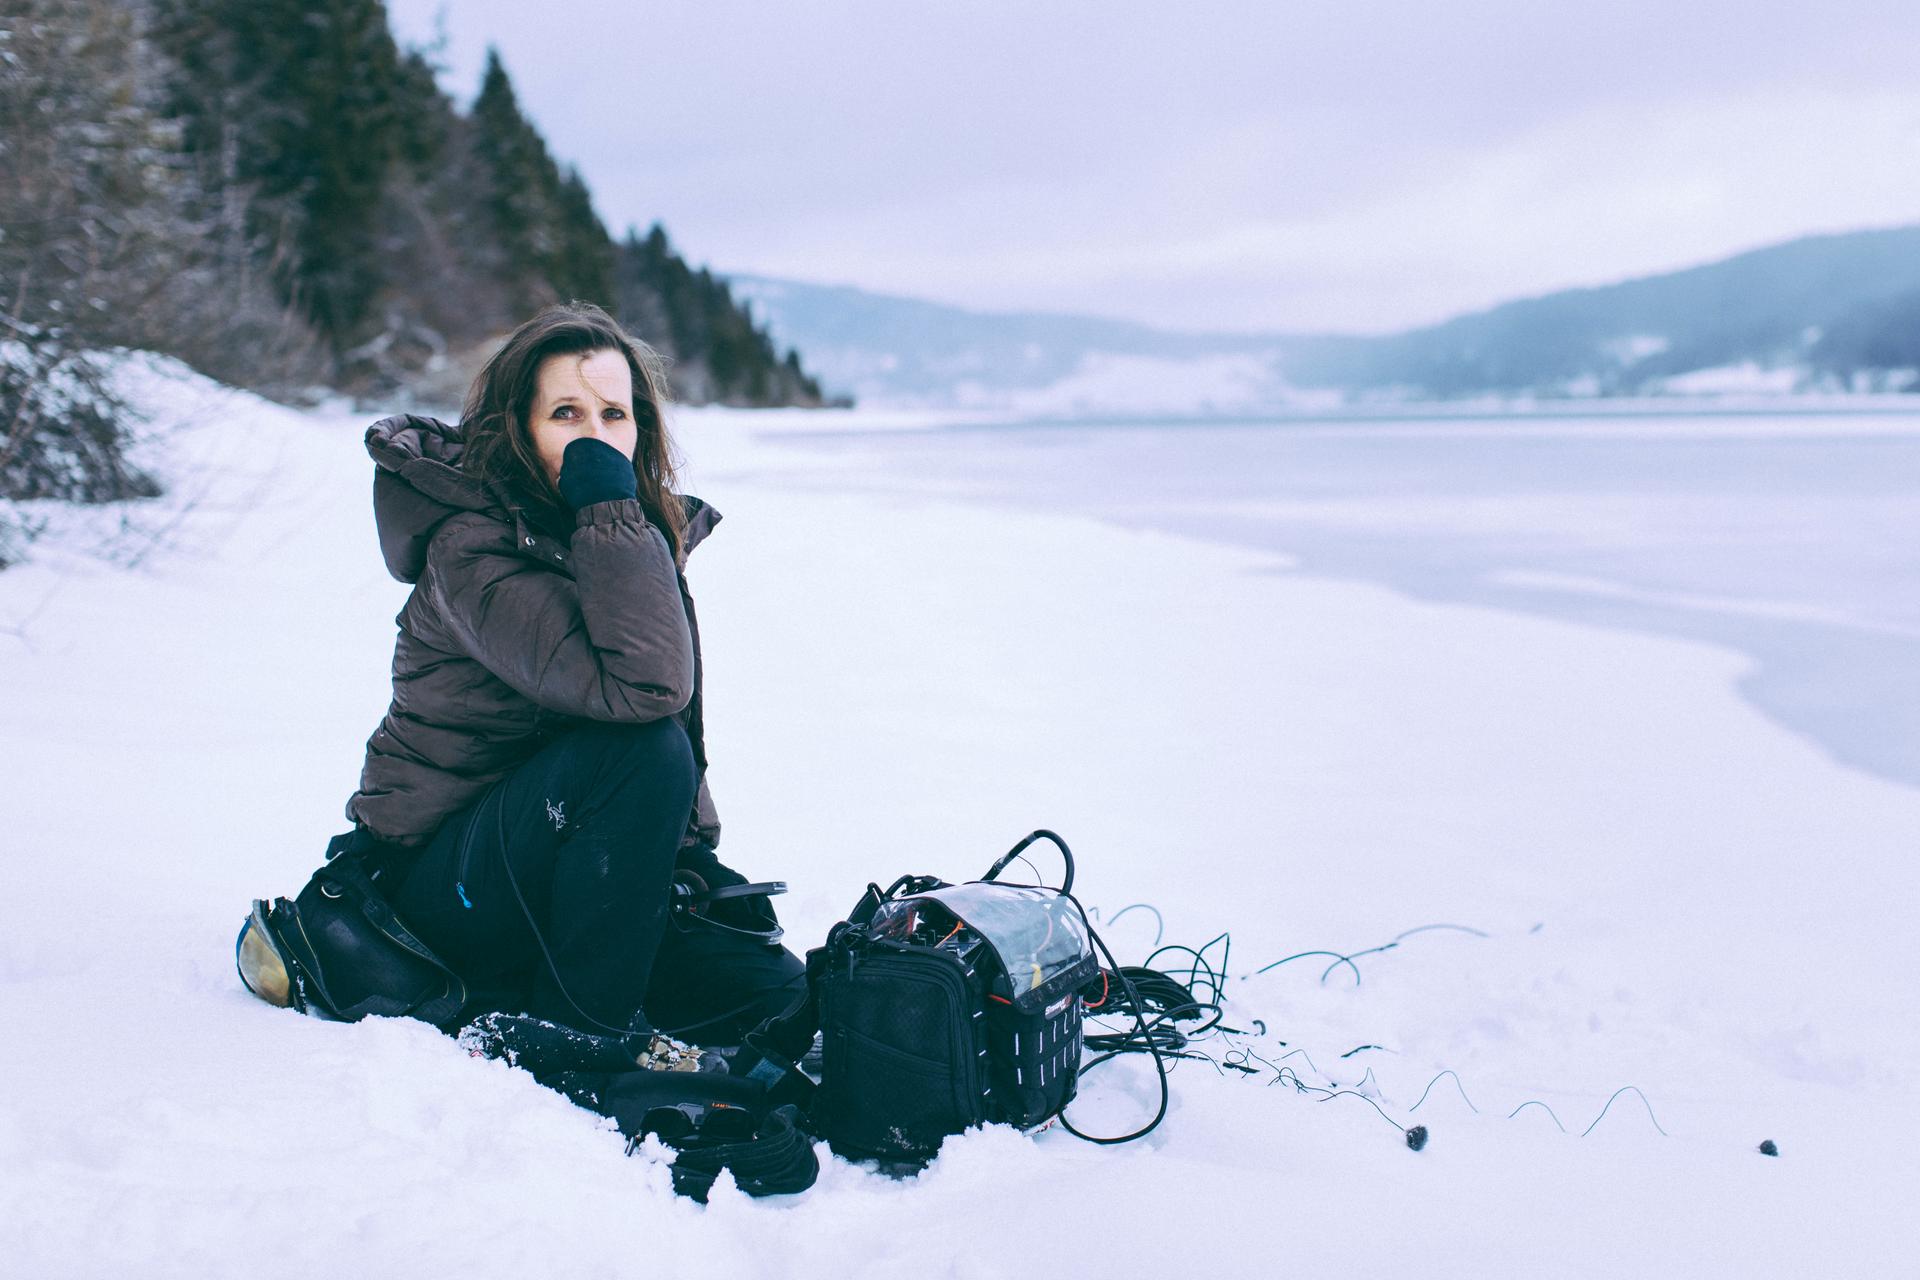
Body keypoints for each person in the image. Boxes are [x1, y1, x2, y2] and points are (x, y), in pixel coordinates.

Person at [330, 300, 804, 1070]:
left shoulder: (609, 536)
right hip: (444, 895)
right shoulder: (472, 549)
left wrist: (689, 870)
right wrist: (611, 507)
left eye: (615, 414)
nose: (595, 436)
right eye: (566, 413)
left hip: (563, 871)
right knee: (645, 747)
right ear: (517, 428)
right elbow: (649, 694)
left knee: (783, 1007)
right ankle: (580, 1033)